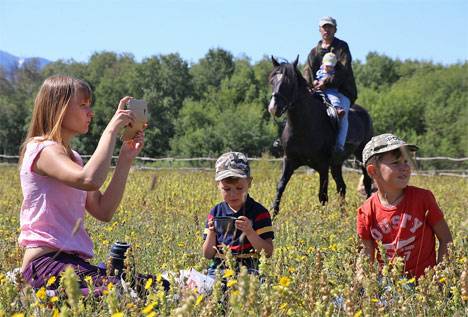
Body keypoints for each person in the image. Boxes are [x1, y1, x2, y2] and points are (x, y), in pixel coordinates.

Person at [18, 75, 167, 294]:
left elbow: (104, 210)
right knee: (123, 293)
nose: (91, 112)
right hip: (45, 265)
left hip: (72, 264)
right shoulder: (42, 149)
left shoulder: (74, 158)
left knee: (158, 287)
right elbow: (88, 180)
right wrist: (110, 132)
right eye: (83, 105)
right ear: (59, 108)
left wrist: (125, 158)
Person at [356, 133, 453, 279]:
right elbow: (366, 255)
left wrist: (440, 278)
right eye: (396, 163)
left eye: (406, 161)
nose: (405, 167)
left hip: (424, 286)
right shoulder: (366, 211)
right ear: (373, 171)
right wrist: (359, 289)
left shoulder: (423, 199)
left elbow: (446, 240)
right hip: (387, 287)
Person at [202, 152, 274, 278]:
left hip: (250, 269)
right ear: (218, 185)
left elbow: (267, 252)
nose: (233, 194)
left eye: (239, 188)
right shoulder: (215, 212)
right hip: (219, 269)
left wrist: (250, 232)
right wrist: (212, 232)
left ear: (249, 183)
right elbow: (208, 254)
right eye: (227, 189)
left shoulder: (259, 212)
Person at [303, 16, 358, 157]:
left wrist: (325, 82)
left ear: (335, 29)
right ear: (319, 30)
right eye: (324, 27)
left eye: (330, 27)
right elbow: (307, 71)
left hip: (342, 91)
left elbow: (344, 70)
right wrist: (310, 85)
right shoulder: (314, 52)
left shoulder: (342, 47)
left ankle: (339, 146)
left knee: (342, 114)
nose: (327, 30)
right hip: (320, 91)